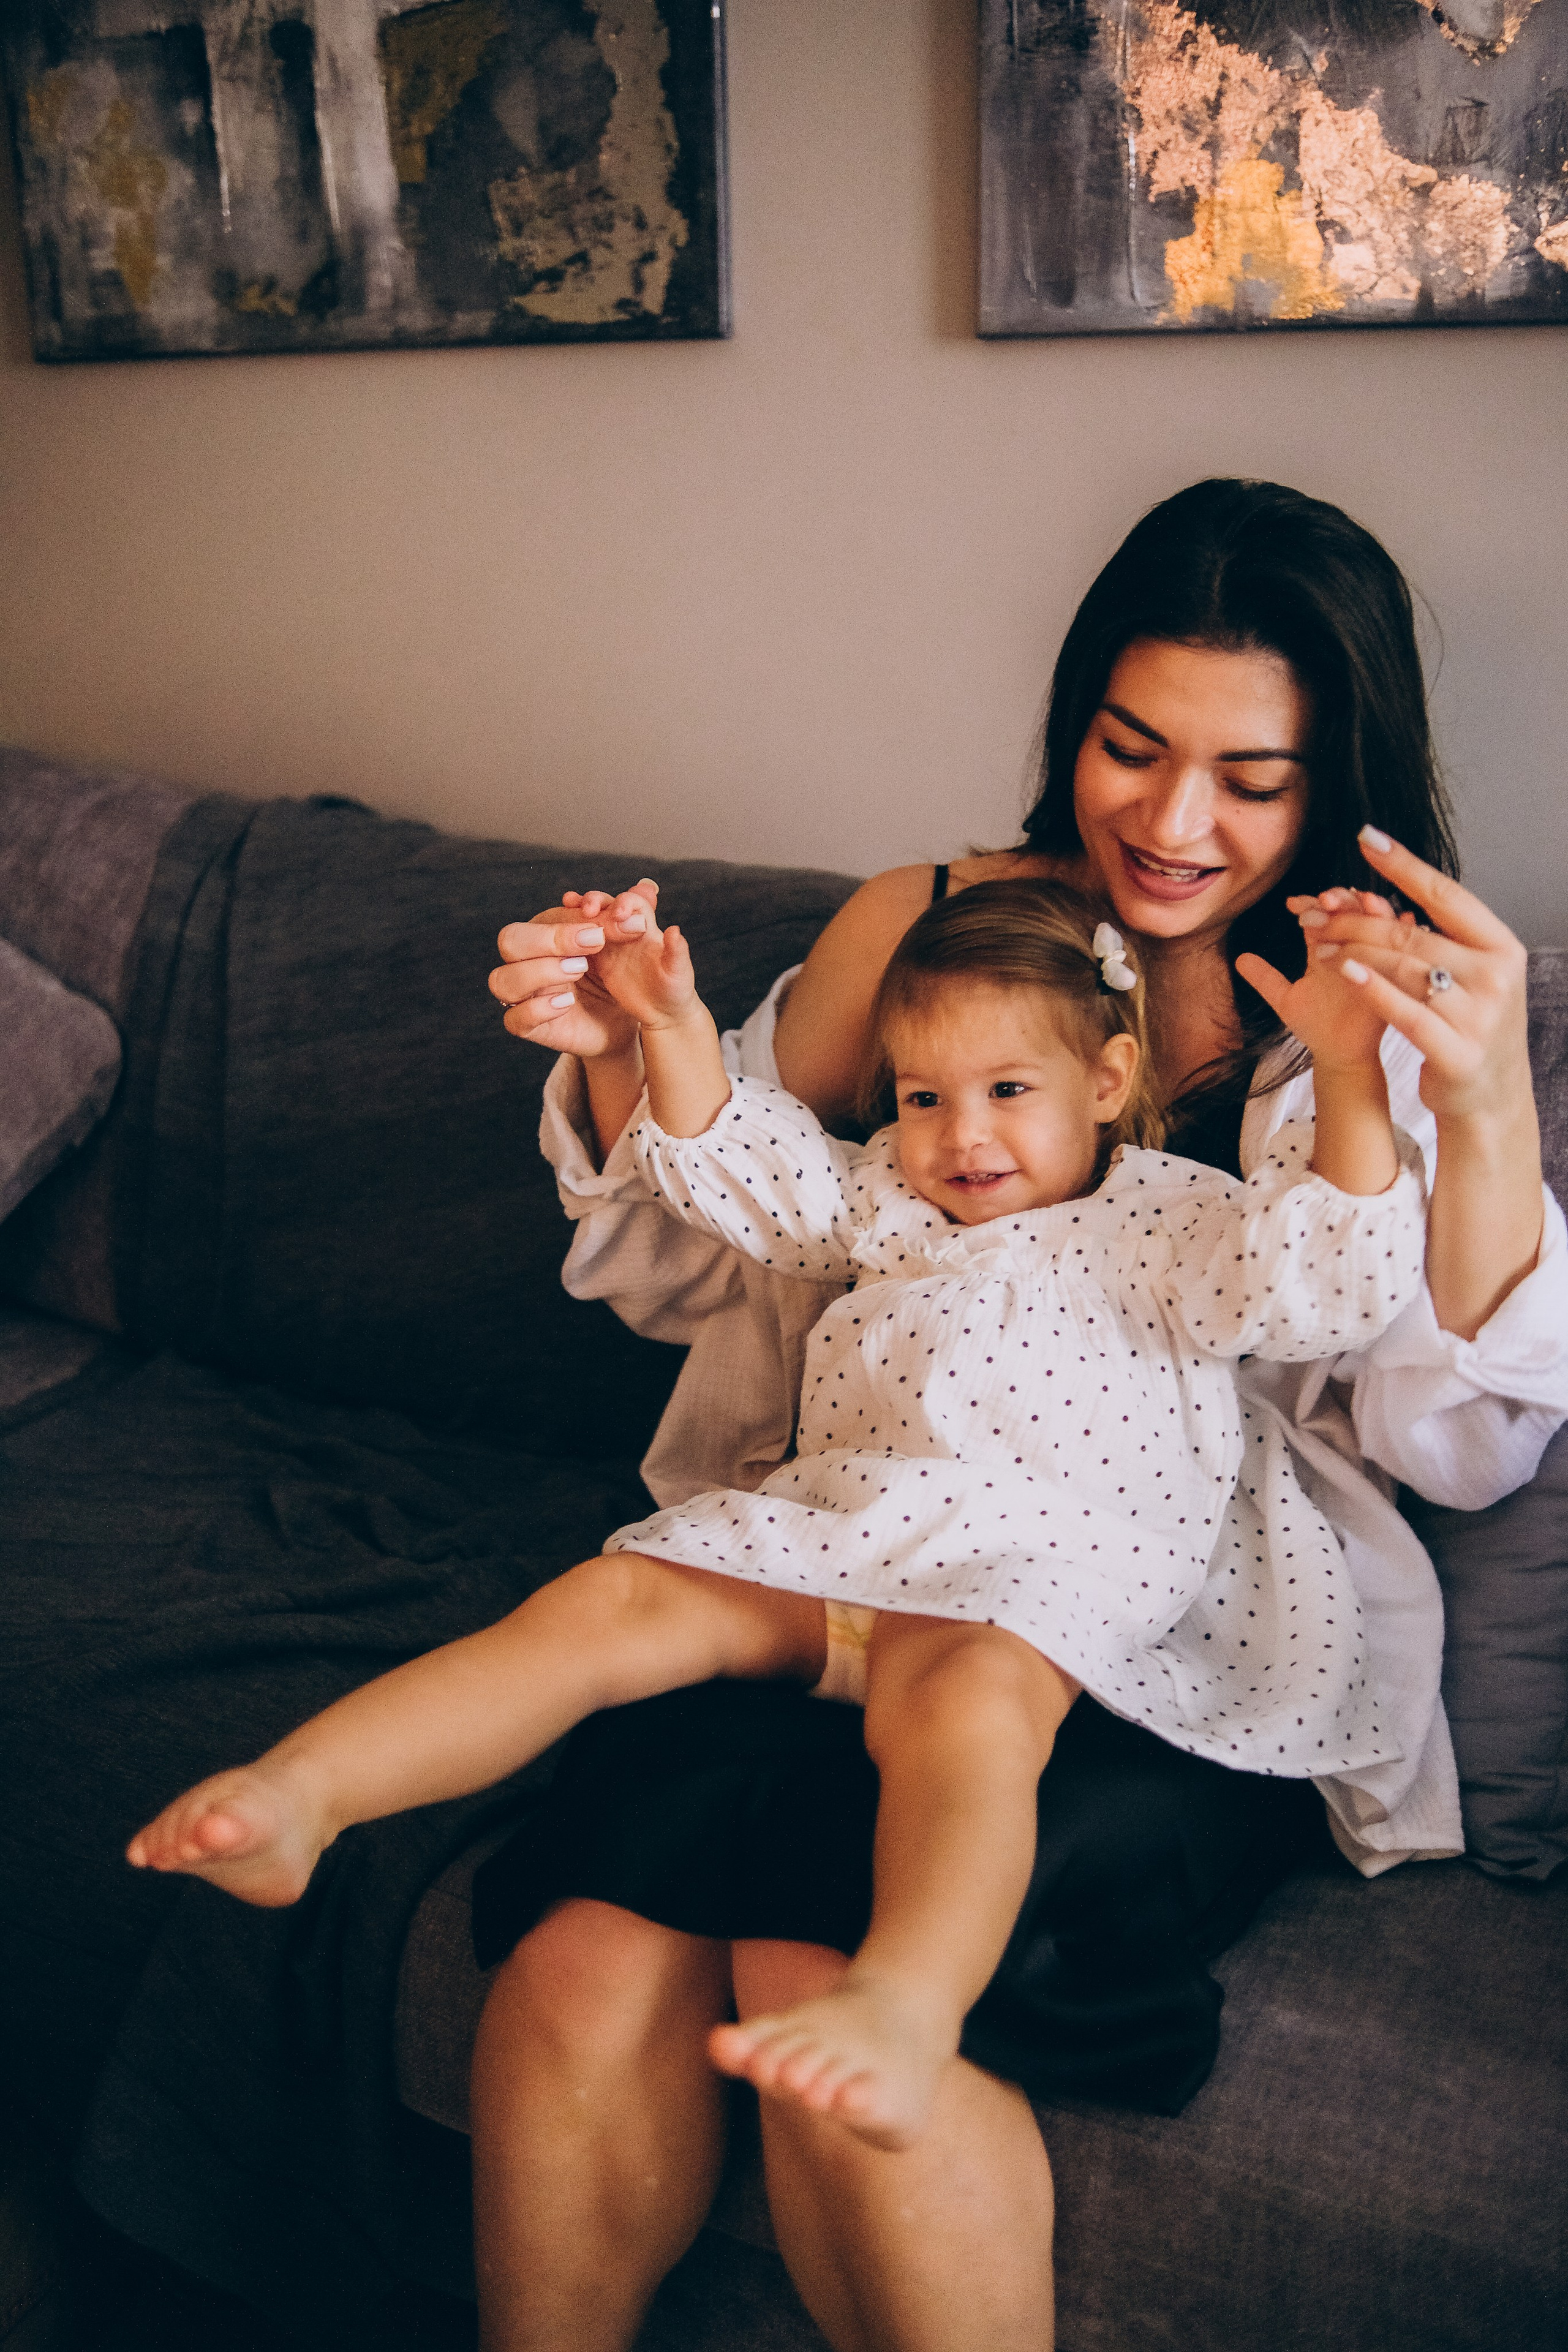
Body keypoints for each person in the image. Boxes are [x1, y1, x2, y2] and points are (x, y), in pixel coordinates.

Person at [470, 478, 1567, 2352]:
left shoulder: (1367, 1015)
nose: (1173, 820)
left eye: (1254, 777)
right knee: (574, 1964)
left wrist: (1483, 1116)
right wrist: (615, 1076)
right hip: (873, 1562)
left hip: (1175, 1641)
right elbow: (711, 1275)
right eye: (1132, 749)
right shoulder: (934, 927)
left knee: (827, 1948)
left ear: (1336, 780)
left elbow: (1459, 1447)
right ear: (1075, 719)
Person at [123, 877, 1427, 2167]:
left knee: (961, 1709)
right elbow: (743, 1168)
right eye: (924, 1097)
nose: (961, 1135)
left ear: (1105, 1078)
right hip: (838, 1539)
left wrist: (1351, 1070)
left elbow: (1323, 1273)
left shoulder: (1171, 1220)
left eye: (1007, 1091)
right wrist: (666, 1023)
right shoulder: (882, 1200)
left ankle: (906, 2004)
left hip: (1034, 1573)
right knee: (611, 1600)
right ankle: (303, 1795)